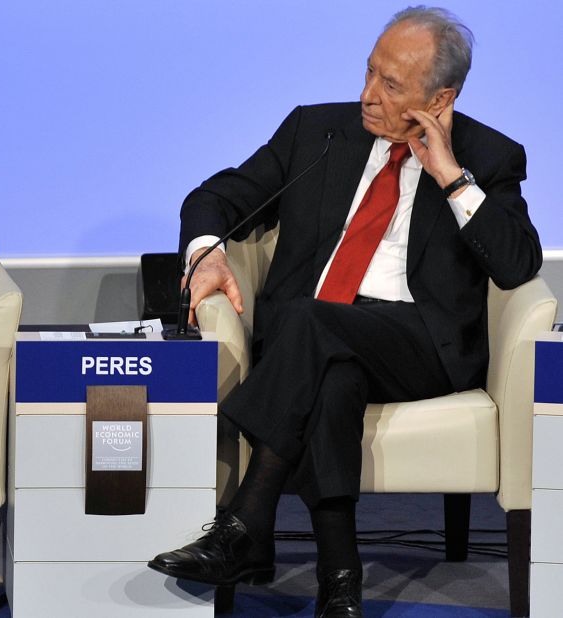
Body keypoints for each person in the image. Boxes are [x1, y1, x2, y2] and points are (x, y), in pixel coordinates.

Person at [147, 6, 541, 617]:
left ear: (441, 98)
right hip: (325, 340)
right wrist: (204, 255)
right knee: (332, 376)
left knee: (310, 323)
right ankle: (340, 583)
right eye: (368, 72)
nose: (367, 96)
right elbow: (214, 197)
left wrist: (451, 178)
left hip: (419, 347)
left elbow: (518, 265)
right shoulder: (317, 131)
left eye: (391, 85)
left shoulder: (488, 157)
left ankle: (245, 525)